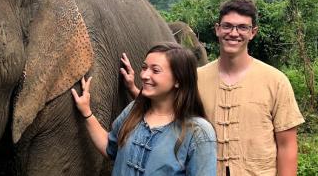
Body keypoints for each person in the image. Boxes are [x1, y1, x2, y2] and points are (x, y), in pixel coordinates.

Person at [122, 0, 304, 176]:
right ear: (217, 29)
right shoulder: (195, 78)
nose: (234, 33)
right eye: (227, 26)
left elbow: (287, 146)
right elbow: (163, 111)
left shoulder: (275, 81)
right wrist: (134, 89)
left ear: (253, 32)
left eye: (242, 27)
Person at [71, 42, 217, 175]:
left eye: (155, 70)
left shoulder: (198, 132)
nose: (144, 75)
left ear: (178, 80)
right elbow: (110, 148)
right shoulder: (134, 110)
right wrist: (86, 112)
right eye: (144, 67)